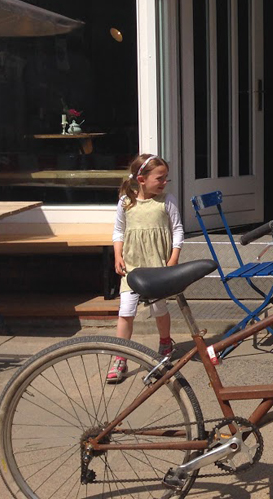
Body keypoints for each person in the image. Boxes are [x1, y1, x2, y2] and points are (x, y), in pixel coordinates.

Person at [106, 153, 184, 383]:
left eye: (166, 177)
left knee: (159, 308)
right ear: (142, 179)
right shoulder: (126, 202)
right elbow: (118, 231)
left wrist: (173, 259)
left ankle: (165, 343)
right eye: (159, 178)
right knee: (126, 312)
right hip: (132, 267)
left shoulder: (166, 201)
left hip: (157, 266)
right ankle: (120, 357)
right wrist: (117, 255)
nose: (164, 182)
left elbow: (178, 230)